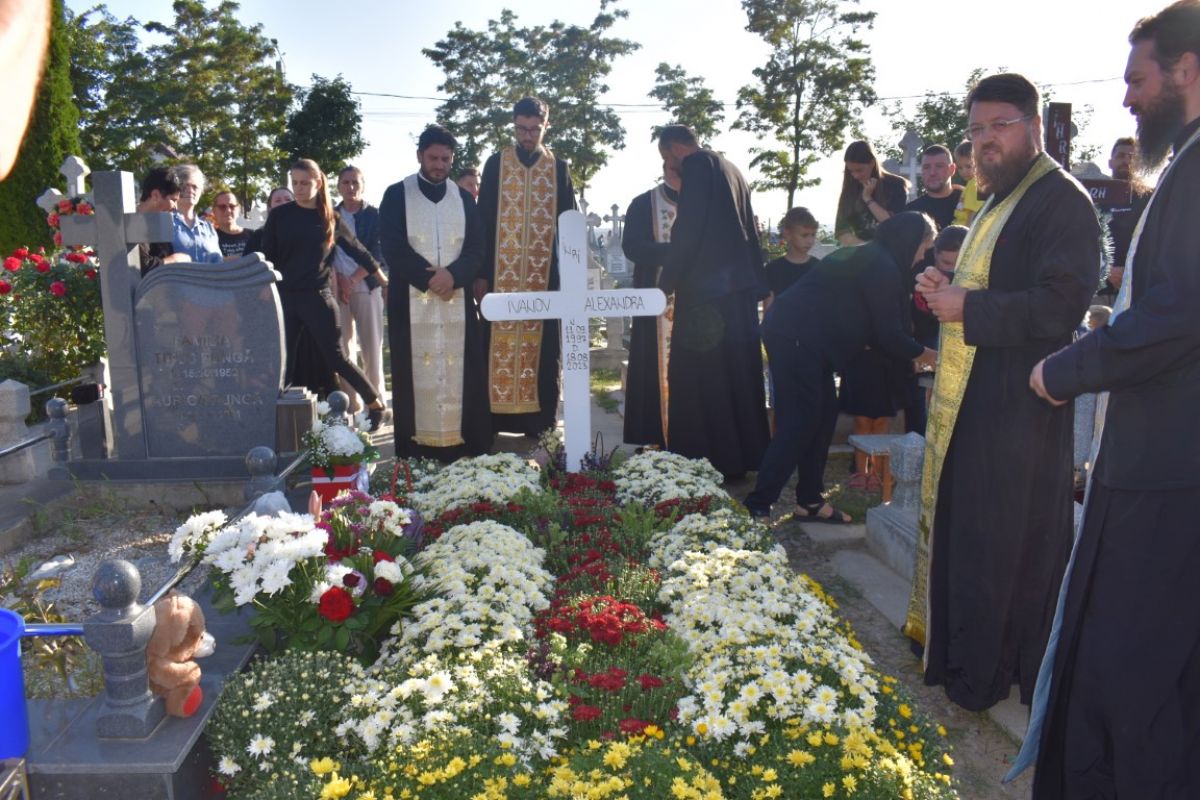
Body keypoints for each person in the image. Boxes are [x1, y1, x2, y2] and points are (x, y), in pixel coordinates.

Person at [1021, 4, 1200, 794]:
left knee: (1133, 662)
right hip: (1165, 454)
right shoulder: (1187, 165)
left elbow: (1179, 313)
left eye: (1138, 78)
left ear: (1187, 70)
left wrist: (1068, 368)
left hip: (1169, 468)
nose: (1126, 97)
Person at [905, 72, 1101, 712]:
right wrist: (947, 289)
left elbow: (1062, 306)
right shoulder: (998, 199)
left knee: (1005, 543)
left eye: (999, 126)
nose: (985, 140)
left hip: (1021, 407)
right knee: (975, 534)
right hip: (976, 399)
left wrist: (969, 306)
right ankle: (963, 657)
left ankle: (989, 672)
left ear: (1034, 126)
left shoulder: (1061, 201)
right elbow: (990, 284)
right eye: (976, 130)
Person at [743, 212, 937, 521]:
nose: (922, 255)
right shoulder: (881, 264)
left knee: (822, 417)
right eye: (924, 246)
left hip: (809, 342)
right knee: (800, 421)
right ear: (911, 240)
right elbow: (888, 333)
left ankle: (809, 501)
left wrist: (911, 352)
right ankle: (757, 504)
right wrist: (929, 355)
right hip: (795, 338)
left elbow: (875, 327)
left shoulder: (877, 259)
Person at [657, 124, 770, 480]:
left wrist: (665, 284)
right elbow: (750, 231)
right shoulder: (732, 169)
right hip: (738, 293)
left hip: (707, 296)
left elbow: (688, 229)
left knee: (704, 379)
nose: (671, 169)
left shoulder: (697, 166)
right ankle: (743, 456)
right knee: (738, 374)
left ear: (675, 149)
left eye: (668, 160)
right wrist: (760, 283)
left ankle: (705, 460)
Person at [379, 124, 491, 461]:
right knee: (412, 375)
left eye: (445, 159)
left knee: (464, 373)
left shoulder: (464, 199)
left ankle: (465, 446)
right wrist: (430, 279)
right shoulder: (396, 195)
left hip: (457, 298)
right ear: (420, 156)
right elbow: (393, 247)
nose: (439, 165)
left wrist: (453, 275)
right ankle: (416, 451)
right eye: (433, 158)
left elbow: (477, 248)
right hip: (410, 300)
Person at [258, 158, 389, 430]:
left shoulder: (329, 217)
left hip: (318, 298)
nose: (299, 188)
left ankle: (375, 403)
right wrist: (261, 290)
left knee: (337, 358)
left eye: (305, 183)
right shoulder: (280, 216)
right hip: (285, 298)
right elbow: (267, 257)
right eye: (295, 183)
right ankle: (278, 423)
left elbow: (360, 252)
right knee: (284, 362)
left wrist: (384, 281)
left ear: (318, 183)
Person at [478, 97, 577, 436]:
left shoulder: (559, 168)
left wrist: (571, 278)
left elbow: (569, 225)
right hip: (500, 277)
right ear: (514, 125)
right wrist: (481, 274)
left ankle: (540, 422)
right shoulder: (496, 164)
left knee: (544, 352)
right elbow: (483, 220)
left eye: (535, 129)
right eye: (521, 129)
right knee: (496, 346)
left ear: (546, 126)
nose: (527, 136)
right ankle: (495, 420)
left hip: (544, 279)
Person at [621, 161, 681, 448]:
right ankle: (654, 437)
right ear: (666, 167)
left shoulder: (703, 204)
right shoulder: (644, 204)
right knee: (652, 370)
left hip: (695, 307)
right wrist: (675, 253)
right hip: (655, 307)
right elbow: (632, 246)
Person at [332, 166, 387, 416]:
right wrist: (340, 279)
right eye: (345, 182)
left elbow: (376, 253)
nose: (350, 187)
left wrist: (353, 280)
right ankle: (351, 406)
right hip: (336, 288)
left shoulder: (374, 215)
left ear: (362, 185)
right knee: (343, 349)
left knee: (371, 349)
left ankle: (375, 405)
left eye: (355, 182)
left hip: (367, 285)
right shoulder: (330, 215)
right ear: (338, 186)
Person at [1097, 136, 1153, 304]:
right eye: (1121, 156)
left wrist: (1130, 271)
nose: (1127, 161)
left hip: (1139, 291)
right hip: (1101, 292)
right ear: (1110, 162)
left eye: (1132, 157)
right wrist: (1107, 269)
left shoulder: (1151, 197)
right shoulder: (1096, 196)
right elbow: (1084, 240)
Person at [835, 140, 909, 245]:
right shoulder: (850, 188)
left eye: (859, 170)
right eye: (851, 171)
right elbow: (841, 232)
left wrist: (868, 198)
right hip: (861, 251)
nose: (855, 176)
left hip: (891, 250)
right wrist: (867, 248)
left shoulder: (896, 185)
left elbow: (892, 224)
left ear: (872, 163)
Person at [763, 207, 821, 313]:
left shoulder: (818, 268)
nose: (810, 241)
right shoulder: (773, 269)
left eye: (813, 234)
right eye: (804, 235)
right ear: (787, 234)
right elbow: (768, 310)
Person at [136, 168, 189, 275]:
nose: (175, 207)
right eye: (173, 200)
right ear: (155, 195)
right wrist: (175, 260)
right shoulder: (131, 223)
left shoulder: (160, 224)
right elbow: (141, 266)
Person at [168, 164, 222, 263]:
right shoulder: (165, 222)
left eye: (195, 187)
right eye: (184, 186)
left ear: (201, 191)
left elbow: (218, 263)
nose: (190, 190)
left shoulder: (208, 228)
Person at [905, 145, 962, 230]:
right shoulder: (910, 213)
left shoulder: (968, 202)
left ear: (952, 169)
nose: (932, 173)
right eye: (926, 167)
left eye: (939, 166)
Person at [245, 187, 294, 254]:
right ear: (269, 208)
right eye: (278, 201)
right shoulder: (259, 236)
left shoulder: (305, 231)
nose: (284, 203)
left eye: (288, 199)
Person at [952, 141, 986, 226]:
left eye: (968, 166)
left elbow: (972, 213)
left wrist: (968, 232)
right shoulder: (971, 184)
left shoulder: (974, 183)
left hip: (964, 228)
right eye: (960, 167)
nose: (964, 171)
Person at [212, 190, 251, 259]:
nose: (228, 211)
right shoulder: (210, 239)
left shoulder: (254, 236)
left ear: (239, 209)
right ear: (214, 211)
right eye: (222, 207)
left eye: (232, 206)